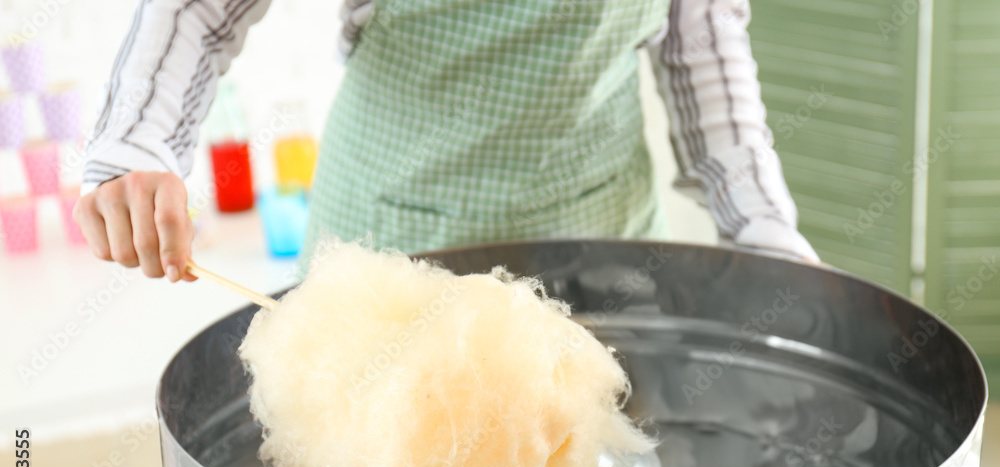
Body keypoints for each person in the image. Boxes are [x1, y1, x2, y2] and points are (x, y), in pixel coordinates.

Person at [74, 0, 819, 283]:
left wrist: (767, 235)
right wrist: (137, 145)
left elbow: (703, 44)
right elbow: (203, 11)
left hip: (604, 251)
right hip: (391, 255)